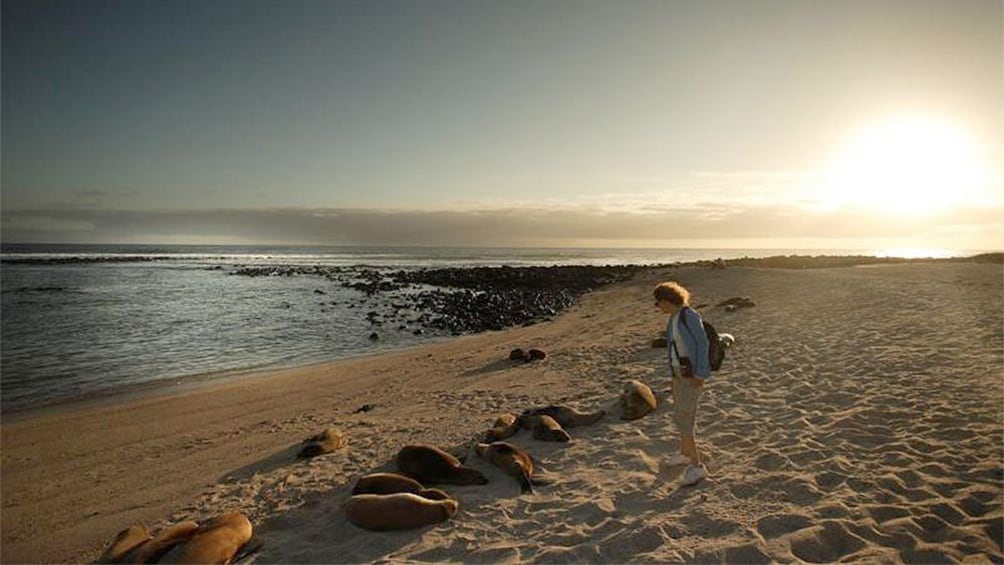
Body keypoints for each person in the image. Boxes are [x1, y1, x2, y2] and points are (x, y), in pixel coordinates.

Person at [654, 281, 710, 486]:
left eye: (658, 302)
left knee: (685, 418)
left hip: (691, 375)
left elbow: (702, 344)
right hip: (679, 374)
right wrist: (673, 374)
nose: (657, 307)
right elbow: (675, 349)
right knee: (680, 415)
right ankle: (685, 453)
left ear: (667, 301)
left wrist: (701, 373)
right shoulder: (674, 318)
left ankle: (697, 467)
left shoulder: (689, 316)